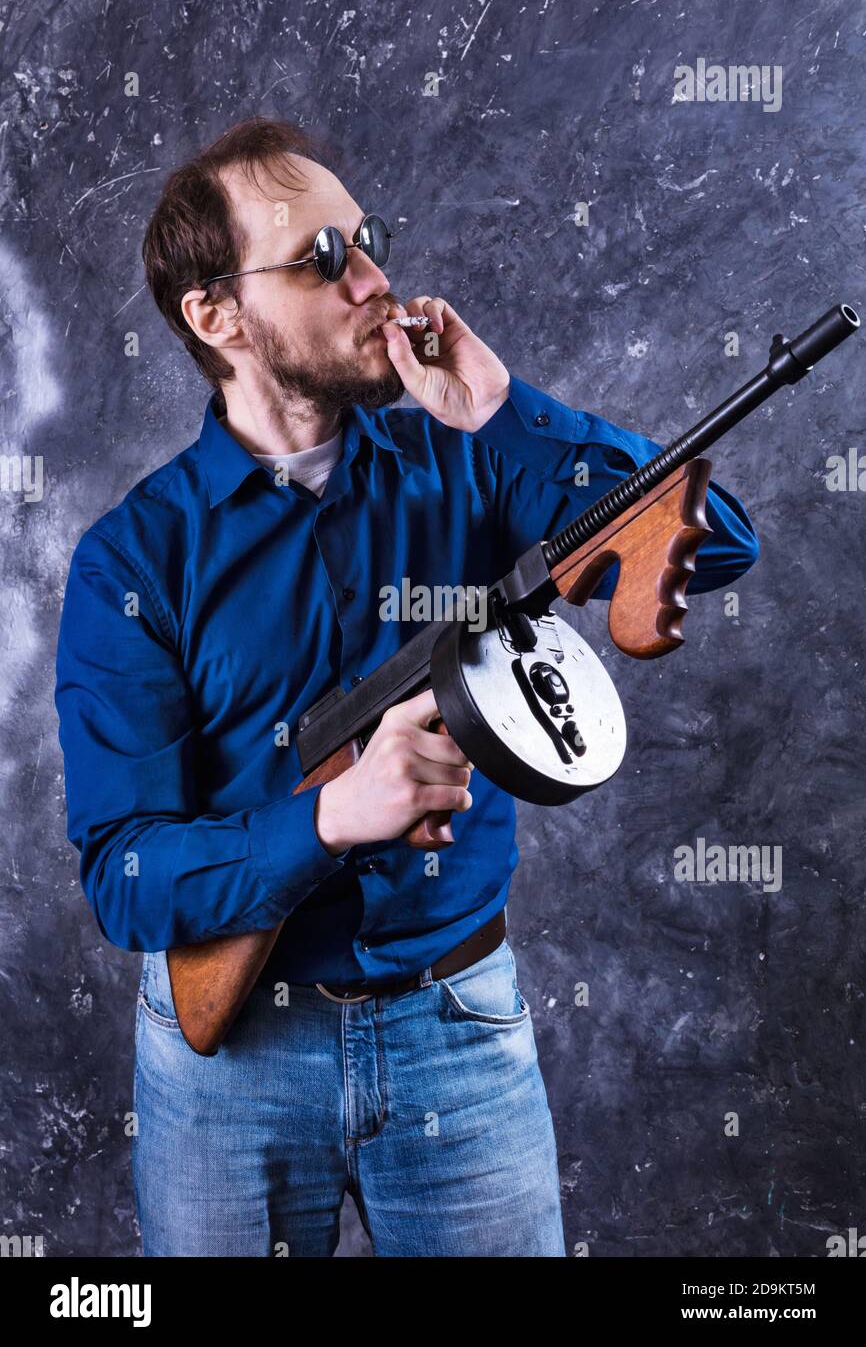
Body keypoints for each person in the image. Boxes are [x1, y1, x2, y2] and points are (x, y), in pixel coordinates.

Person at [54, 116, 759, 1257]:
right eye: (323, 258)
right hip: (231, 1070)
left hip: (458, 1028)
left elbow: (717, 543)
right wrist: (331, 817)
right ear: (215, 315)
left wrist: (500, 410)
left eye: (367, 240)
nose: (375, 279)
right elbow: (127, 877)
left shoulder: (469, 451)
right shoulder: (132, 563)